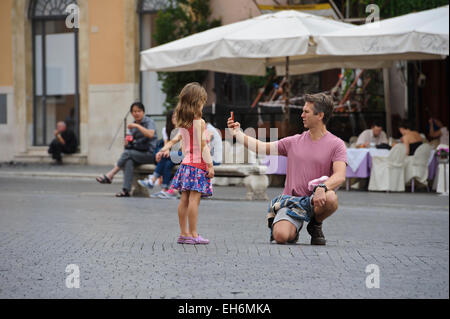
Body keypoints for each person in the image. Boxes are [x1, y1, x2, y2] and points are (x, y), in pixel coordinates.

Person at [227, 93, 347, 246]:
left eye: (306, 112)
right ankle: (292, 229)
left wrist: (323, 187)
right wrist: (238, 134)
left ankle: (315, 224)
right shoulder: (293, 141)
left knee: (331, 198)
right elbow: (262, 147)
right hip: (293, 202)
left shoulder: (336, 144)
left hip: (316, 200)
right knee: (281, 236)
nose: (302, 115)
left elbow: (340, 175)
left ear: (320, 115)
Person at [156, 82, 214, 245]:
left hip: (186, 165)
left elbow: (174, 140)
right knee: (194, 201)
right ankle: (194, 234)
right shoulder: (199, 122)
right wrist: (210, 165)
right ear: (197, 102)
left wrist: (163, 149)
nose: (203, 105)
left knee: (184, 200)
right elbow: (204, 146)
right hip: (198, 165)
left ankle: (184, 233)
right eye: (202, 101)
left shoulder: (183, 123)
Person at [96, 102, 157, 197]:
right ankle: (126, 190)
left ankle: (110, 175)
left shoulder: (149, 122)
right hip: (138, 153)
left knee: (127, 154)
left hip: (151, 154)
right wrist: (127, 142)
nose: (136, 113)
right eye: (134, 111)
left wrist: (137, 126)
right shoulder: (132, 125)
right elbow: (129, 142)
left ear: (143, 112)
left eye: (138, 111)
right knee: (128, 160)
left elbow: (150, 134)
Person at [138, 110, 183, 199]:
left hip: (182, 155)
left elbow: (181, 148)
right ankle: (164, 189)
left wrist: (167, 152)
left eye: (177, 117)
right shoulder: (166, 129)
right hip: (172, 157)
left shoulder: (182, 130)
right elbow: (167, 144)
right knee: (167, 162)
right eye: (173, 117)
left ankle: (153, 180)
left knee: (167, 158)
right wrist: (163, 151)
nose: (175, 119)